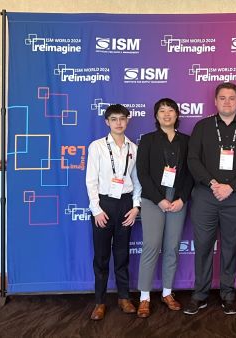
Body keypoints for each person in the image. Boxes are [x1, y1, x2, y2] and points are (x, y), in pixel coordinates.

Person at [184, 82, 236, 315]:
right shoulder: (202, 127)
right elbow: (193, 160)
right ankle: (200, 294)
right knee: (203, 246)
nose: (227, 102)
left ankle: (228, 294)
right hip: (205, 197)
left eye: (231, 98)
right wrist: (212, 183)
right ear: (215, 101)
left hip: (235, 198)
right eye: (222, 98)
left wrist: (231, 187)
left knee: (230, 247)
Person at [136, 98, 194, 318]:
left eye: (171, 111)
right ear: (156, 115)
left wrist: (182, 198)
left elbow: (190, 173)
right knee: (151, 245)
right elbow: (143, 173)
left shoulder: (186, 141)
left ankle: (167, 293)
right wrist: (159, 199)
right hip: (153, 199)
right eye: (162, 111)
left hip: (178, 199)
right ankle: (144, 297)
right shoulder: (148, 140)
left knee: (172, 246)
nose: (167, 114)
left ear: (177, 114)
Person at [85, 104, 141, 320]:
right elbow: (91, 180)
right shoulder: (97, 147)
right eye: (114, 119)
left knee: (122, 254)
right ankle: (99, 301)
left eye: (122, 119)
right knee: (101, 256)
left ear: (128, 121)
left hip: (125, 205)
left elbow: (137, 181)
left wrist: (136, 207)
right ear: (107, 122)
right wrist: (96, 209)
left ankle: (124, 297)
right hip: (104, 205)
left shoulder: (133, 148)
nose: (119, 123)